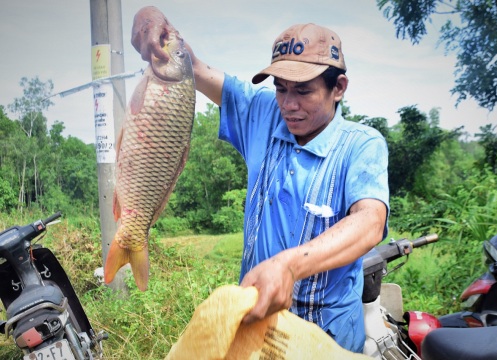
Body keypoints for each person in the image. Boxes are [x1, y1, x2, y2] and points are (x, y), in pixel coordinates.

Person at [131, 7, 389, 353]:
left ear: (338, 87)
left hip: (327, 338)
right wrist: (152, 21)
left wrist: (289, 265)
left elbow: (369, 221)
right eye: (280, 89)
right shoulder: (264, 114)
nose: (288, 104)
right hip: (259, 331)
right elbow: (192, 66)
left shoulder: (361, 144)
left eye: (303, 91)